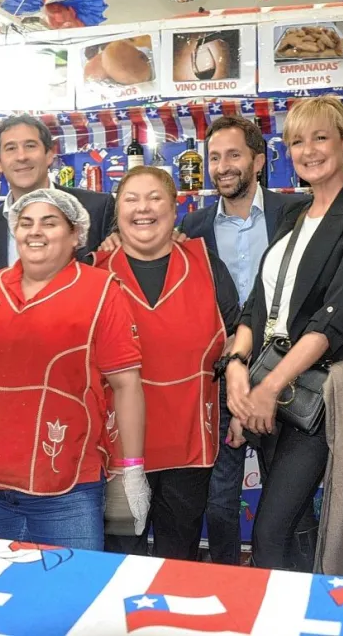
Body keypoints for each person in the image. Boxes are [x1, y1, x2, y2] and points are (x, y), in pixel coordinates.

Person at [221, 97, 343, 572]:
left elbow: (335, 318)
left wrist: (268, 389)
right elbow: (258, 306)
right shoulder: (293, 214)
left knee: (269, 532)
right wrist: (236, 369)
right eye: (297, 141)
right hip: (269, 383)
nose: (309, 150)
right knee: (296, 527)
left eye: (321, 137)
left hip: (319, 391)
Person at [0, 188, 150, 551]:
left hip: (69, 489)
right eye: (26, 223)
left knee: (70, 584)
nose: (35, 231)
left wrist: (132, 467)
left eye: (49, 223)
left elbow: (126, 384)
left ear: (75, 234)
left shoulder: (101, 292)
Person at [93, 166, 240, 560]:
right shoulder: (94, 271)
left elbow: (236, 337)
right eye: (131, 199)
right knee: (121, 556)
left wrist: (239, 404)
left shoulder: (206, 265)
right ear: (117, 212)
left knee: (178, 558)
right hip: (117, 452)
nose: (143, 208)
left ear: (176, 209)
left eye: (155, 198)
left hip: (187, 446)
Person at [178, 115, 304, 565]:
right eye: (214, 157)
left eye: (233, 155)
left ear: (259, 160)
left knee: (289, 502)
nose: (222, 166)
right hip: (221, 376)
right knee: (220, 500)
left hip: (288, 373)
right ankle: (227, 580)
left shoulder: (297, 212)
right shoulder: (192, 227)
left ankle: (291, 584)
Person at [0, 115, 114, 270]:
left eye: (30, 146)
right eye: (11, 148)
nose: (21, 157)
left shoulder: (97, 208)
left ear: (50, 154)